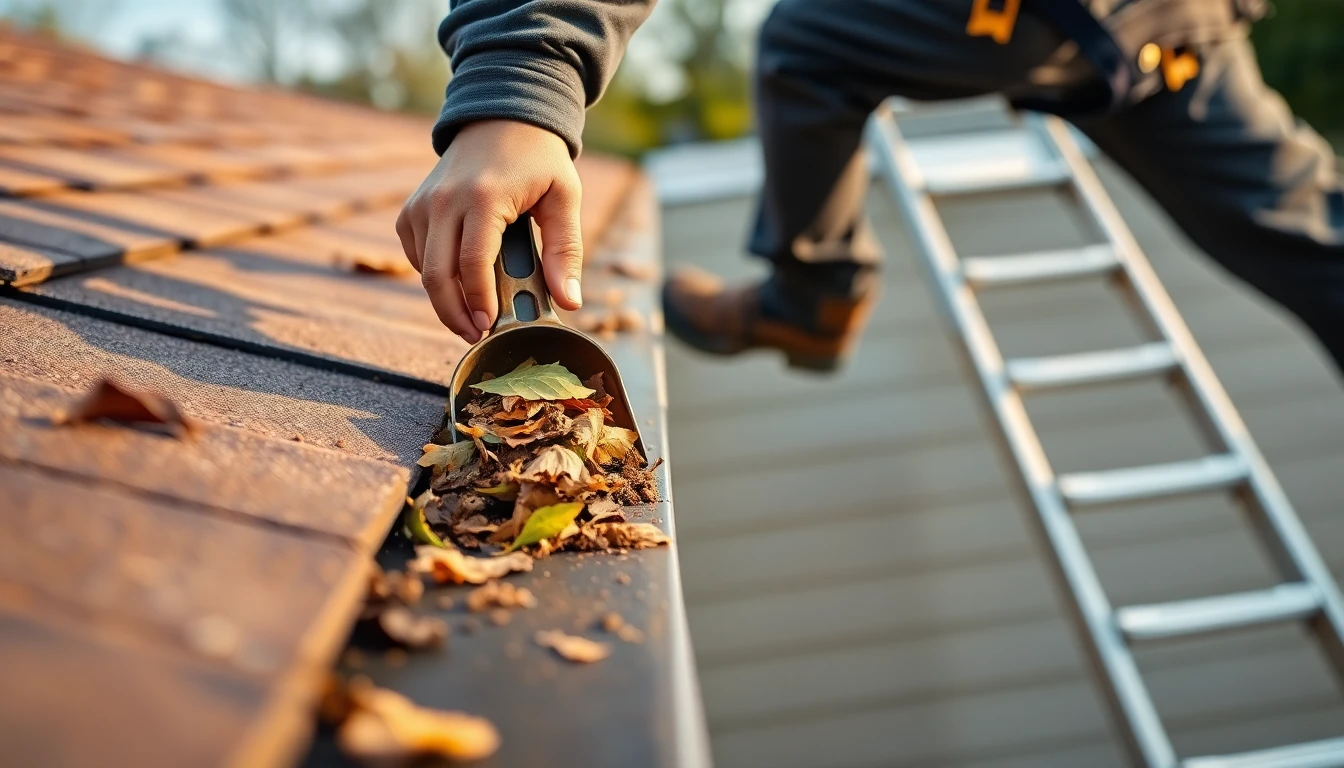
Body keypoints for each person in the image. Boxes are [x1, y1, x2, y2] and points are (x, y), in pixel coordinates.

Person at [396, 0, 1344, 375]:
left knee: (811, 47)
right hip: (1185, 24)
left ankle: (814, 297)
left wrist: (518, 87)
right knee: (1316, 239)